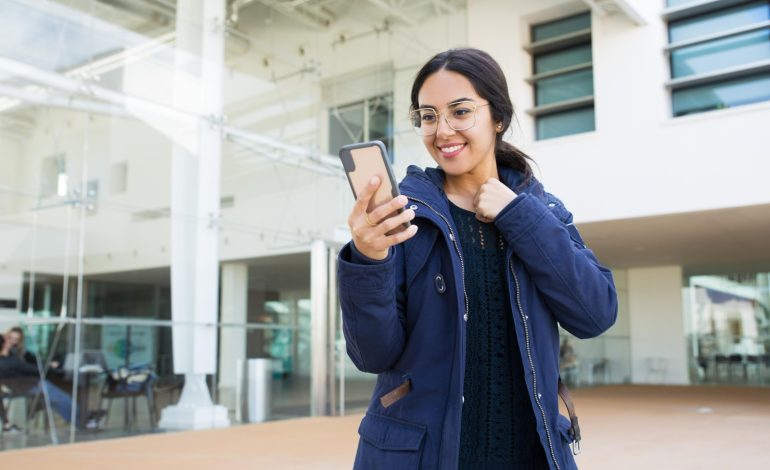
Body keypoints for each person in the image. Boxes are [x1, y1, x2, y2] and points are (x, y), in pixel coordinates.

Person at [337, 48, 618, 470]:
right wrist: (369, 258)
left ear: (498, 118)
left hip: (528, 456)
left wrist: (518, 216)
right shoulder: (406, 216)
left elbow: (596, 313)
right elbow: (372, 355)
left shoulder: (541, 210)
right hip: (423, 458)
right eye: (428, 116)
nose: (442, 130)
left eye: (460, 111)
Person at [0, 329, 79, 430]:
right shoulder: (12, 361)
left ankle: (79, 419)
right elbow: (32, 369)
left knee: (56, 399)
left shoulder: (10, 359)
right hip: (30, 386)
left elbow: (28, 366)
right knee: (60, 397)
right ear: (5, 344)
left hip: (21, 386)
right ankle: (81, 419)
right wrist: (50, 367)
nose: (12, 342)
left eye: (16, 339)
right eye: (9, 339)